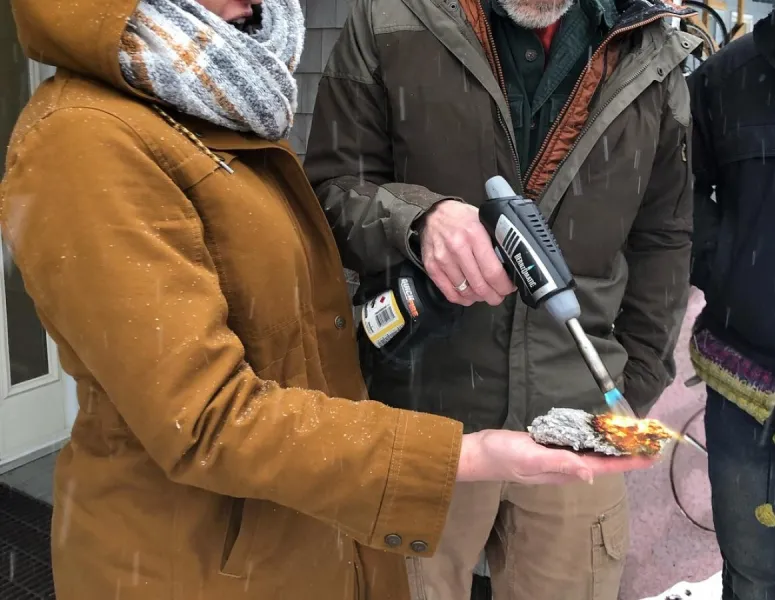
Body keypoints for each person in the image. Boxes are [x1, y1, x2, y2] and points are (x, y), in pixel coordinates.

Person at [0, 0, 657, 599]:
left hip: (294, 522)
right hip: (189, 559)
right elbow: (203, 421)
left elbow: (664, 241)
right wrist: (466, 454)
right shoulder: (82, 139)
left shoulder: (224, 104)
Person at [303, 0, 699, 598]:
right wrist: (415, 221)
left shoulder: (652, 51)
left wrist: (637, 378)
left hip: (579, 420)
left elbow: (663, 237)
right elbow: (328, 193)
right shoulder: (390, 17)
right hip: (419, 419)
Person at [687, 1, 775, 598]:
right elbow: (675, 188)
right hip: (750, 393)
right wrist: (723, 262)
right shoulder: (729, 77)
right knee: (758, 581)